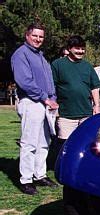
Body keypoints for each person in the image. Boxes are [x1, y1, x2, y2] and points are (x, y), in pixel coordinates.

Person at [11, 23, 59, 195]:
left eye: (41, 37)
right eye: (35, 36)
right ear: (27, 35)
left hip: (45, 103)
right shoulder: (21, 54)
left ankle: (40, 174)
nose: (38, 39)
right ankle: (26, 179)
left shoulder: (41, 56)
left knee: (44, 142)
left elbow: (49, 81)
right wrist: (45, 98)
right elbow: (25, 81)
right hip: (31, 102)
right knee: (29, 142)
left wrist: (52, 98)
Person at [51, 35, 100, 141]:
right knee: (65, 144)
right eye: (77, 48)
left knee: (86, 143)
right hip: (66, 115)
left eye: (83, 49)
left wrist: (97, 106)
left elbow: (95, 88)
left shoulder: (87, 66)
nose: (80, 51)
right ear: (69, 48)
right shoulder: (57, 65)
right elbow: (52, 87)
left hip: (86, 115)